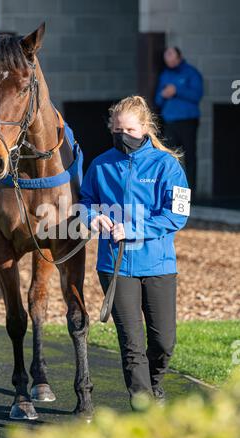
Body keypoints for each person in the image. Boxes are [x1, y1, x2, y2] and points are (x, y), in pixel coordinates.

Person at [79, 95, 190, 408]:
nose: (121, 135)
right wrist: (92, 216)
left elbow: (177, 215)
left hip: (158, 264)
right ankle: (142, 403)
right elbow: (85, 201)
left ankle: (154, 385)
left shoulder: (168, 165)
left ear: (144, 128)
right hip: (115, 265)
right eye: (116, 129)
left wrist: (134, 229)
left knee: (164, 342)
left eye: (128, 128)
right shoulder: (100, 164)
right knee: (131, 343)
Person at [155, 47, 203, 200]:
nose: (167, 58)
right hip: (170, 122)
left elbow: (197, 95)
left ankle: (191, 194)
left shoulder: (191, 73)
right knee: (169, 157)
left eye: (170, 54)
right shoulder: (165, 74)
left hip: (188, 121)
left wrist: (177, 90)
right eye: (165, 55)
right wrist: (164, 94)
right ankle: (169, 193)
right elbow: (158, 99)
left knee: (189, 157)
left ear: (179, 56)